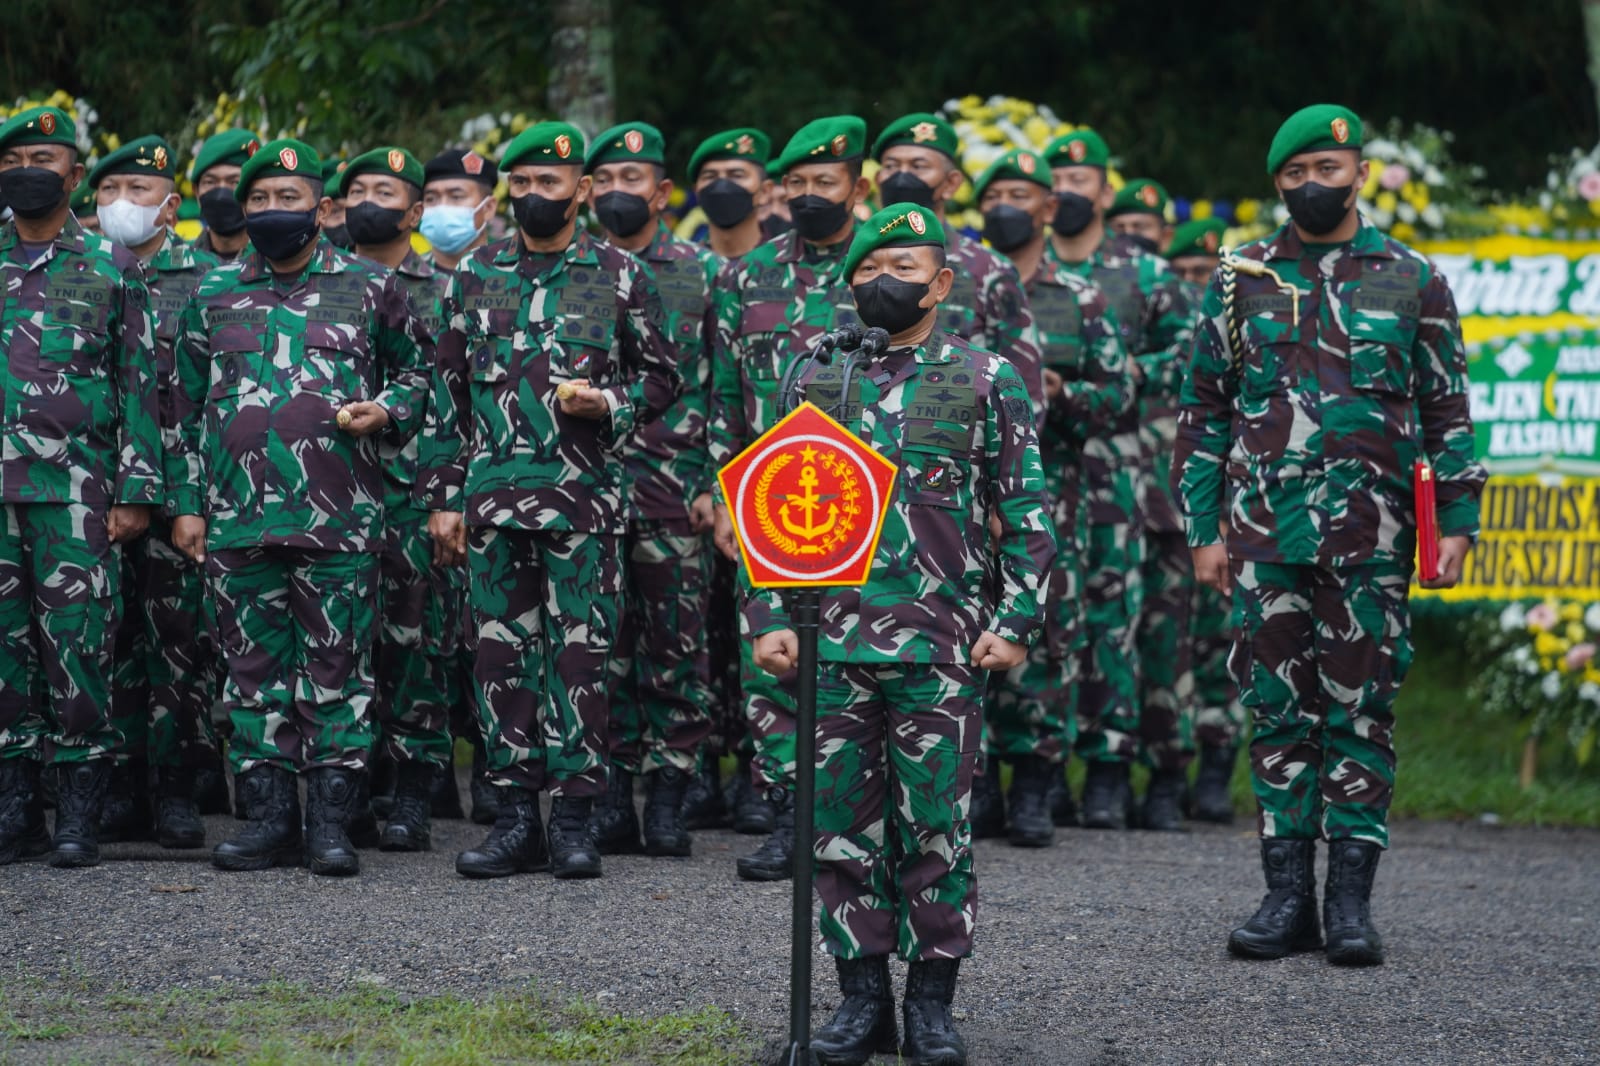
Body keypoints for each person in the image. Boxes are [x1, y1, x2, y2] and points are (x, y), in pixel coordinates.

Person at [1173, 104, 1484, 965]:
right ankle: (1285, 900)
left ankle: (1350, 904)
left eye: (1328, 170)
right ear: (1278, 183)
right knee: (1276, 711)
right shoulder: (1240, 277)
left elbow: (1445, 407)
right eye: (1296, 175)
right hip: (1264, 534)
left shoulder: (1411, 278)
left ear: (1357, 174)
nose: (1313, 186)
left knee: (1360, 709)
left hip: (1372, 535)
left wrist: (1456, 520)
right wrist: (1203, 526)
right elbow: (1205, 409)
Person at [748, 203, 1052, 1066]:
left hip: (940, 643)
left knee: (932, 828)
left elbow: (1024, 508)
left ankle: (930, 1002)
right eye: (873, 269)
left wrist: (1016, 619)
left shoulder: (985, 376)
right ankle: (858, 1003)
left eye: (909, 268)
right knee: (839, 827)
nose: (889, 283)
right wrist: (769, 612)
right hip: (829, 639)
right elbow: (768, 500)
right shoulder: (812, 374)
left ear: (943, 283)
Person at [418, 121, 679, 881]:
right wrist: (442, 496)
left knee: (580, 665)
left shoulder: (622, 277)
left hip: (585, 508)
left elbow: (664, 379)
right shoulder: (476, 277)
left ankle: (573, 822)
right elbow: (447, 394)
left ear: (583, 191)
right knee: (500, 663)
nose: (536, 196)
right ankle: (513, 821)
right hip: (494, 507)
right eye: (523, 184)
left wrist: (613, 405)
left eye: (550, 183)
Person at [169, 138, 432, 877]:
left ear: (324, 209)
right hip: (237, 518)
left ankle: (329, 825)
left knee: (337, 671)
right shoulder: (212, 293)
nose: (272, 212)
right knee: (251, 672)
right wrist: (187, 505)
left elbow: (419, 374)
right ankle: (268, 820)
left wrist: (387, 409)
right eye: (259, 200)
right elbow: (181, 405)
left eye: (289, 200)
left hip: (339, 517)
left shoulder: (371, 288)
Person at [0, 106, 163, 869]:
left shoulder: (110, 266)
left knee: (78, 650)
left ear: (73, 173)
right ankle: (14, 806)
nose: (29, 168)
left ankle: (77, 812)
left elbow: (140, 387)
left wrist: (135, 492)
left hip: (77, 494)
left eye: (45, 156)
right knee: (4, 657)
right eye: (16, 156)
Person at [709, 115, 871, 881]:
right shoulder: (749, 276)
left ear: (858, 186)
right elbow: (722, 397)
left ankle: (856, 818)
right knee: (771, 662)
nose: (809, 196)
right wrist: (717, 491)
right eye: (796, 184)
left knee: (859, 658)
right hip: (770, 497)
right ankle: (788, 819)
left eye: (824, 183)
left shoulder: (886, 272)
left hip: (870, 503)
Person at [973, 148, 1132, 847]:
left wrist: (1069, 397)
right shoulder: (963, 285)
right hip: (959, 497)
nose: (1006, 204)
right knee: (965, 623)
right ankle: (974, 781)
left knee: (1043, 627)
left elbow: (1120, 393)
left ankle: (1035, 781)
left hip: (1052, 487)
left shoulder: (1079, 296)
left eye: (1020, 193)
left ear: (1047, 207)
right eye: (995, 193)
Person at [1042, 130, 1192, 829]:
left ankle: (1109, 766)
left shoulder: (1147, 275)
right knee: (1046, 621)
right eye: (1059, 179)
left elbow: (1190, 358)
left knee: (1115, 621)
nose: (1069, 191)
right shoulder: (1024, 274)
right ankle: (1040, 769)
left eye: (1082, 180)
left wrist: (1126, 373)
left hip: (1128, 473)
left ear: (1105, 190)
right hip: (1046, 472)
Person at [584, 121, 719, 857]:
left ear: (662, 192)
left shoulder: (699, 272)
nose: (614, 194)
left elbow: (721, 386)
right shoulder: (577, 269)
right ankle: (610, 796)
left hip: (675, 489)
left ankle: (669, 794)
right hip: (590, 490)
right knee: (601, 649)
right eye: (601, 181)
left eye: (628, 181)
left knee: (676, 650)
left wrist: (714, 481)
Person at [333, 145, 471, 849]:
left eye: (385, 190)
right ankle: (350, 789)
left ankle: (415, 794)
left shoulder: (447, 287)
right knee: (345, 647)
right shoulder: (317, 283)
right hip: (334, 499)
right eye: (357, 188)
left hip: (418, 494)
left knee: (420, 646)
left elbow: (463, 403)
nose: (368, 200)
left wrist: (454, 493)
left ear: (416, 211)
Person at [89, 135, 223, 850]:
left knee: (177, 645)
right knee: (104, 641)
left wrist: (191, 497)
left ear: (171, 206)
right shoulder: (80, 273)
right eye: (109, 193)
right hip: (92, 492)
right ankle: (114, 784)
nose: (121, 206)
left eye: (137, 193)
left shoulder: (206, 280)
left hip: (180, 493)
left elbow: (210, 399)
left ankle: (174, 788)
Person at [680, 126, 773, 832]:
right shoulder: (681, 268)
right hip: (684, 478)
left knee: (759, 632)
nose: (722, 184)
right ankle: (701, 767)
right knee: (695, 634)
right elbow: (713, 396)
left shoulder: (777, 276)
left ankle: (760, 776)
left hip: (769, 485)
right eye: (708, 173)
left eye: (735, 171)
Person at [1105, 175, 1199, 830]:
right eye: (1125, 227)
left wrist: (1135, 370)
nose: (1134, 240)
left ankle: (1168, 774)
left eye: (1146, 231)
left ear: (1164, 237)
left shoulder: (1178, 300)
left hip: (1166, 498)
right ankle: (1102, 771)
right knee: (1106, 637)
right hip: (1106, 498)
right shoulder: (1101, 288)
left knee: (1168, 642)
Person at [418, 145, 503, 823]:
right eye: (437, 194)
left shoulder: (506, 277)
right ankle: (428, 774)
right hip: (415, 485)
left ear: (488, 205)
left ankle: (498, 777)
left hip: (500, 486)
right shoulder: (398, 280)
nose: (448, 208)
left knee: (491, 634)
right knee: (428, 632)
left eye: (462, 194)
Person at [1161, 216, 1242, 822]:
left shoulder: (1243, 324)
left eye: (1203, 275)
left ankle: (1216, 765)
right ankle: (1166, 767)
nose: (1194, 286)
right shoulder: (1165, 326)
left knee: (1221, 640)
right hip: (1159, 505)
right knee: (1168, 642)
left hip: (1228, 503)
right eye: (1183, 273)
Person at [688, 127, 773, 260]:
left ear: (765, 191)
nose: (722, 186)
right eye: (710, 176)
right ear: (696, 192)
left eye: (737, 175)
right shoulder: (675, 266)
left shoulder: (792, 267)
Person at [420, 148, 500, 274]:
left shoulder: (514, 276)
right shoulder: (398, 281)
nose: (442, 207)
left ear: (488, 208)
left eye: (456, 197)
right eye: (431, 199)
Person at [189, 129, 260, 263]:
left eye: (234, 182)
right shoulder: (176, 262)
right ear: (196, 192)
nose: (221, 194)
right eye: (210, 182)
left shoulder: (280, 262)